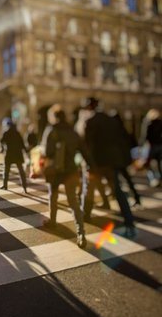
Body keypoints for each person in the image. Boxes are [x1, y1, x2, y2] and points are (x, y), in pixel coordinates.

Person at [82, 97, 136, 237]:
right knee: (118, 192)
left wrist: (89, 164)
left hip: (97, 163)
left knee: (89, 190)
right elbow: (121, 139)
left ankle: (85, 216)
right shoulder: (111, 120)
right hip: (112, 162)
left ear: (89, 108)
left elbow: (88, 146)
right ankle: (129, 223)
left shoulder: (90, 122)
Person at [41, 104, 90, 248]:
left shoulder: (51, 130)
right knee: (73, 202)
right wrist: (90, 166)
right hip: (71, 170)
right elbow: (83, 150)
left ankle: (53, 221)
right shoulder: (73, 131)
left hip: (55, 171)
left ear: (53, 117)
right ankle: (81, 233)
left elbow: (47, 152)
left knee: (53, 196)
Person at [0, 118, 27, 193]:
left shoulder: (6, 132)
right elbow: (22, 143)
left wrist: (2, 149)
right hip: (18, 154)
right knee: (21, 171)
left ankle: (5, 185)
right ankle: (24, 187)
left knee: (6, 170)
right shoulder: (17, 133)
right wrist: (25, 151)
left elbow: (1, 141)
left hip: (9, 154)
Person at [140, 109, 162, 187]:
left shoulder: (148, 123)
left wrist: (141, 145)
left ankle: (153, 179)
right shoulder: (160, 122)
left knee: (147, 164)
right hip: (159, 145)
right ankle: (159, 179)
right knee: (159, 164)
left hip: (151, 146)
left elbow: (144, 135)